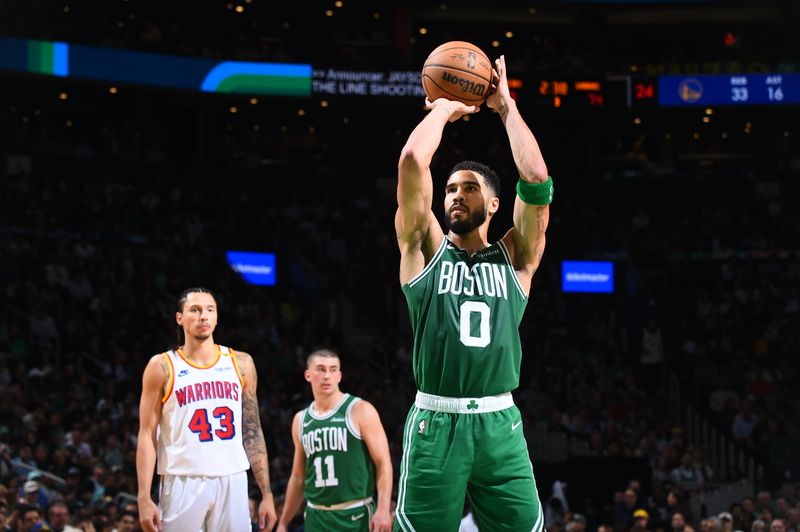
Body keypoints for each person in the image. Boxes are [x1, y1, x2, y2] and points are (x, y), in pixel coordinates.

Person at [394, 54, 552, 531]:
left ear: (495, 204)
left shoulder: (516, 258)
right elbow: (411, 162)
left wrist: (506, 109)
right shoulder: (423, 249)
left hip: (498, 422)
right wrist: (442, 108)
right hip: (434, 421)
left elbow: (538, 182)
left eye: (468, 188)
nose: (455, 196)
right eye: (448, 190)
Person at [136, 287, 277, 531]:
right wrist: (143, 496)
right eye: (195, 310)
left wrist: (267, 494)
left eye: (210, 310)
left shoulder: (241, 363)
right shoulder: (162, 366)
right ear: (179, 318)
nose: (204, 316)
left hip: (233, 478)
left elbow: (252, 432)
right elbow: (146, 434)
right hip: (182, 480)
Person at [277, 349, 393, 532]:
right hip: (315, 516)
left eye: (333, 370)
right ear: (308, 375)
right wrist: (283, 522)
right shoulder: (301, 420)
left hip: (355, 515)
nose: (327, 376)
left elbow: (383, 462)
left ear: (339, 376)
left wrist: (383, 509)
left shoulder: (360, 410)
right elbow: (298, 477)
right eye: (321, 369)